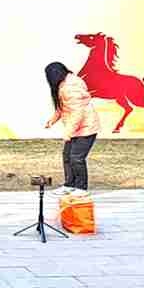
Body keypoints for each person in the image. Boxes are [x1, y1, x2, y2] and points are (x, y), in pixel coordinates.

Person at [44, 62, 99, 196]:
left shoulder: (71, 87)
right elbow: (63, 107)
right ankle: (69, 185)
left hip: (86, 128)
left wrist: (68, 132)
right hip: (76, 128)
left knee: (76, 158)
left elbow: (77, 113)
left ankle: (81, 188)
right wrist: (53, 119)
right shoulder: (64, 84)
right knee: (67, 156)